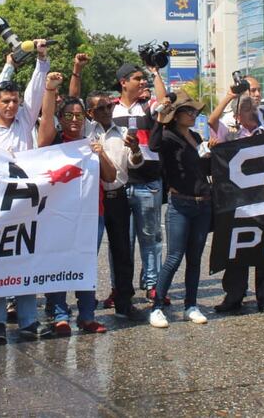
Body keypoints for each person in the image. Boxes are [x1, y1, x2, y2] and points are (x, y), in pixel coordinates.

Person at [210, 60, 264, 314]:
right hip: (239, 201)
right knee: (237, 247)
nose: (257, 95)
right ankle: (234, 295)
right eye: (251, 90)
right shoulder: (231, 123)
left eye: (259, 90)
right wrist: (230, 96)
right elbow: (213, 122)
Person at [0, 39, 50, 344]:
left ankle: (29, 320)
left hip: (26, 206)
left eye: (15, 101)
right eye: (5, 100)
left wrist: (41, 60)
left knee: (25, 263)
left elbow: (36, 89)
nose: (11, 106)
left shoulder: (24, 121)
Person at [38, 82, 113, 335]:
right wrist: (50, 89)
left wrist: (100, 154)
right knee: (59, 262)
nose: (73, 120)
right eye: (68, 115)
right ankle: (60, 314)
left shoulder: (90, 144)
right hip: (59, 216)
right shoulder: (52, 144)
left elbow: (111, 177)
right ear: (60, 118)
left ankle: (87, 316)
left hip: (93, 215)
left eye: (78, 115)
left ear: (85, 118)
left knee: (85, 264)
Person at [147, 92, 213, 328]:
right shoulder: (168, 137)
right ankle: (156, 307)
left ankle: (191, 305)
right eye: (189, 111)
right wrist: (160, 116)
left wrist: (211, 151)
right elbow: (152, 145)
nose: (194, 114)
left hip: (202, 202)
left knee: (195, 258)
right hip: (180, 203)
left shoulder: (195, 135)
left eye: (195, 111)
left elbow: (205, 166)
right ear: (177, 115)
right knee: (174, 257)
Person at [84, 89, 146, 321]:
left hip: (118, 196)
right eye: (101, 107)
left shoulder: (121, 133)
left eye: (109, 106)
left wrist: (137, 148)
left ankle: (124, 301)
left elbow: (135, 164)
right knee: (89, 251)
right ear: (91, 112)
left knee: (122, 251)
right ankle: (86, 302)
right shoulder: (86, 131)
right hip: (93, 198)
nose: (107, 111)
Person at [111, 63, 168, 305]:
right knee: (121, 242)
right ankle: (120, 288)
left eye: (144, 79)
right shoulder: (110, 109)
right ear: (123, 82)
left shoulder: (148, 107)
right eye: (137, 78)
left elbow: (165, 103)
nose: (142, 82)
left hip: (148, 182)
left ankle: (152, 285)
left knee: (151, 238)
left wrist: (156, 73)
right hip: (119, 185)